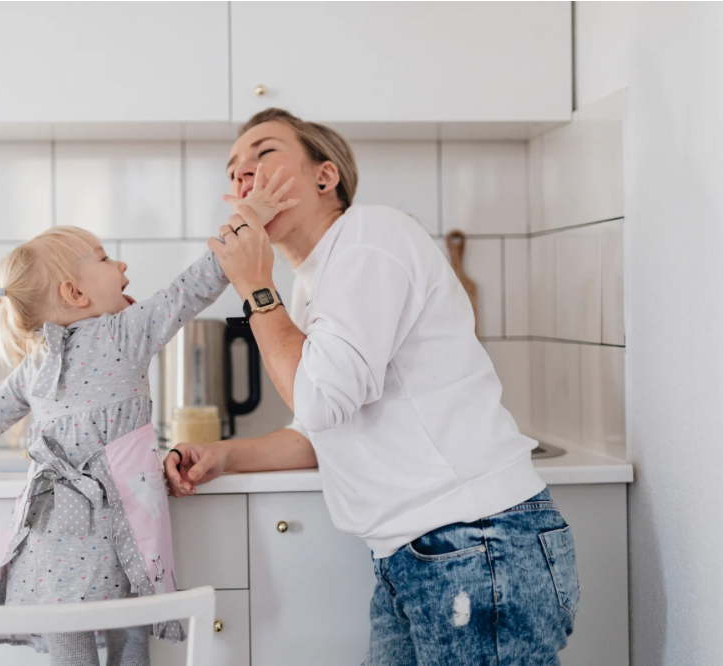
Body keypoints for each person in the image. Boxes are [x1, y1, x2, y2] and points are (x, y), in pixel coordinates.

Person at [164, 108, 580, 665]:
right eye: (234, 171)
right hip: (417, 555)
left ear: (325, 176)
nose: (244, 177)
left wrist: (256, 287)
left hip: (474, 544)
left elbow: (318, 398)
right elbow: (319, 428)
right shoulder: (318, 280)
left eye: (263, 154)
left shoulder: (370, 237)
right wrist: (223, 456)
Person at [0, 216, 282, 666]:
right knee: (132, 633)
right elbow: (189, 289)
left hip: (53, 538)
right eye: (103, 259)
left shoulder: (37, 361)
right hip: (124, 529)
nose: (121, 265)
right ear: (75, 293)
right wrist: (238, 237)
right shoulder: (123, 333)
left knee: (69, 637)